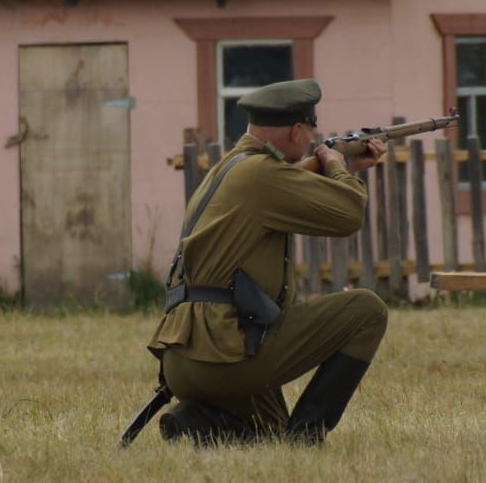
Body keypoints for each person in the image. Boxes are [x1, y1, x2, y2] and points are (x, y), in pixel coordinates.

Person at [148, 78, 388, 445]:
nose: (312, 141)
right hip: (225, 356)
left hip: (185, 360)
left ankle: (193, 421)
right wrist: (337, 165)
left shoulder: (230, 168)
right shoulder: (261, 175)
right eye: (310, 133)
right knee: (367, 310)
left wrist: (344, 170)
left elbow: (289, 187)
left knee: (268, 435)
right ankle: (305, 439)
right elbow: (348, 213)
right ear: (295, 130)